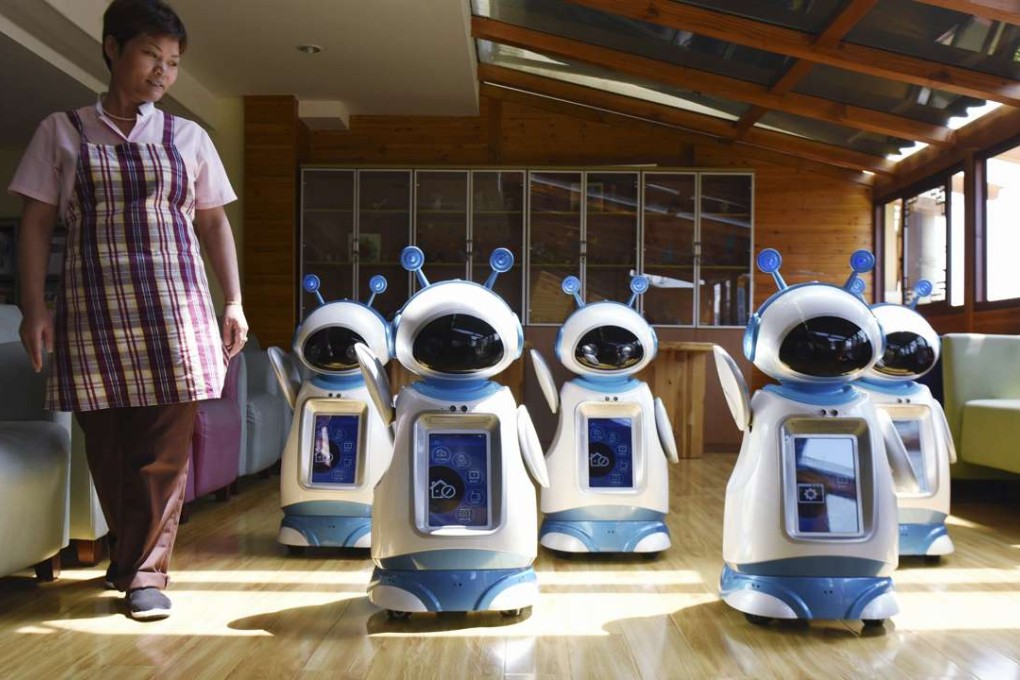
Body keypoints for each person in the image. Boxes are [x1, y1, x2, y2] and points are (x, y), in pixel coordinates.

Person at [8, 0, 246, 621]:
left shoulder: (189, 137)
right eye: (151, 55)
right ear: (113, 48)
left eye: (173, 62)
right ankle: (129, 558)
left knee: (163, 453)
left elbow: (214, 223)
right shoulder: (61, 131)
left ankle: (146, 573)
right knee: (108, 448)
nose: (164, 72)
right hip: (92, 312)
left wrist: (233, 301)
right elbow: (35, 224)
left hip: (176, 311)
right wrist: (33, 307)